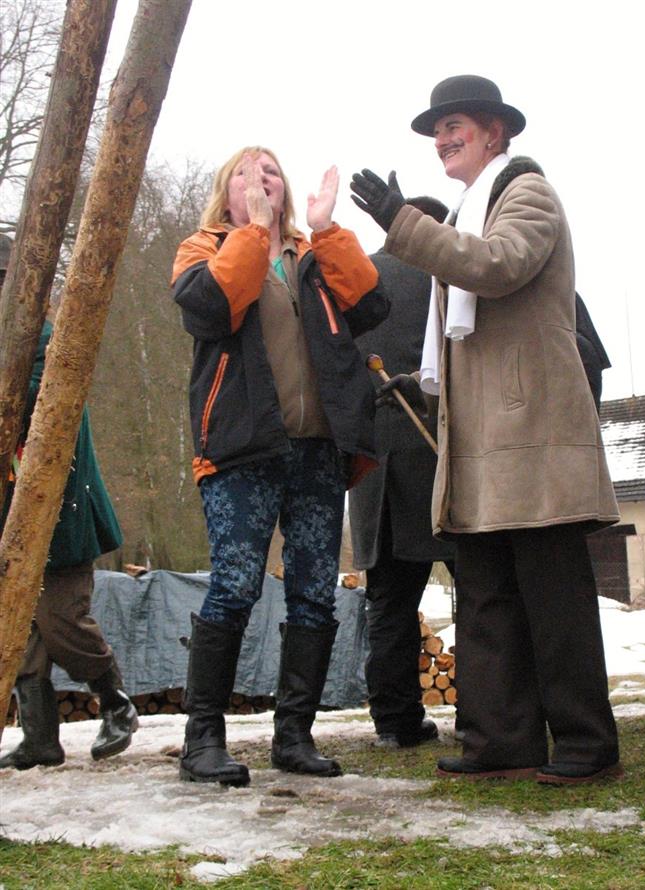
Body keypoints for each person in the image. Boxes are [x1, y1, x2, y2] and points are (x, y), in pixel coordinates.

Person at [351, 75, 622, 784]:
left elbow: (499, 267)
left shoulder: (527, 193)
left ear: (494, 132)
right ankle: (501, 740)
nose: (442, 138)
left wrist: (403, 223)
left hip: (531, 430)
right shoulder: (467, 210)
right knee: (488, 598)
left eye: (455, 126)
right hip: (478, 438)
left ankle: (586, 744)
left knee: (553, 597)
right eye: (436, 130)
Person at [172, 147, 388, 786]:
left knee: (315, 592)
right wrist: (254, 233)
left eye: (270, 172)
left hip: (319, 449)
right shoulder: (203, 248)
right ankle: (202, 741)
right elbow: (210, 308)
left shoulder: (312, 255)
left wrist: (325, 229)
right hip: (242, 449)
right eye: (245, 172)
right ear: (226, 192)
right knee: (235, 584)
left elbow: (371, 306)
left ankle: (294, 736)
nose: (260, 179)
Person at [0, 295, 138, 770]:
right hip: (11, 514)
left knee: (61, 620)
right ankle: (39, 738)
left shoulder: (41, 341)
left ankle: (117, 703)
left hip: (57, 509)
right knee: (19, 632)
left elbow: (32, 402)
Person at [349, 197, 456, 749]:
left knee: (389, 601)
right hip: (442, 453)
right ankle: (488, 711)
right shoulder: (449, 273)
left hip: (375, 466)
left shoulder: (356, 280)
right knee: (479, 590)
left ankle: (395, 723)